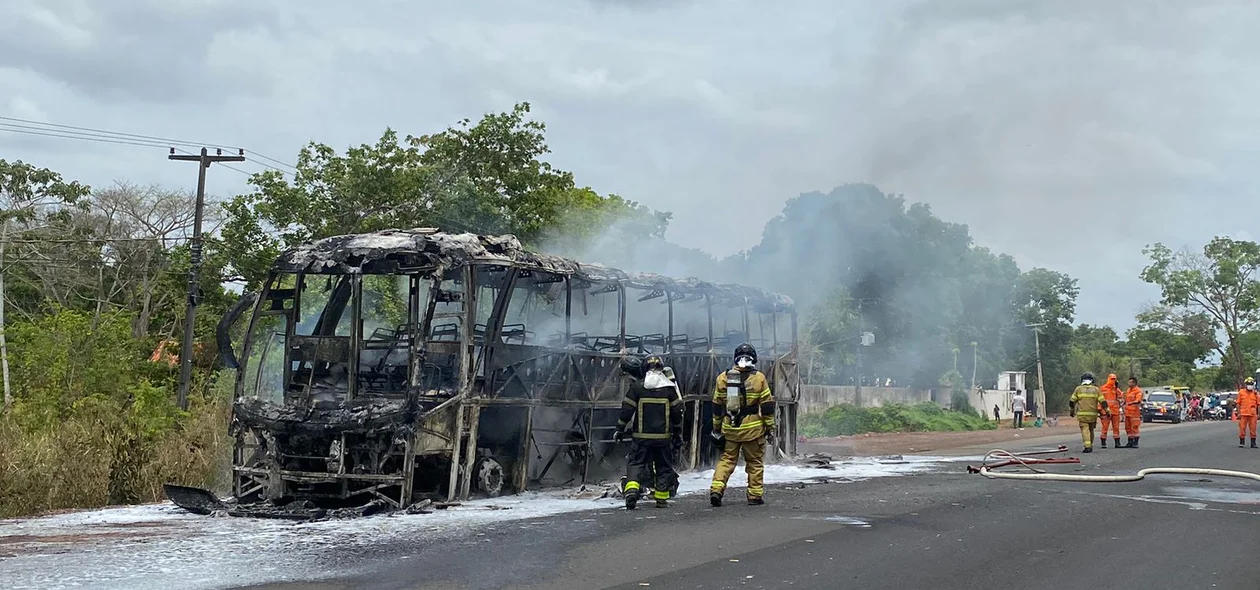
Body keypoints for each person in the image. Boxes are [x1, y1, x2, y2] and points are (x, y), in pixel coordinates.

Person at [709, 343, 775, 507]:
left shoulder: (722, 378)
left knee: (726, 460)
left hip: (730, 428)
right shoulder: (759, 378)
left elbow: (717, 407)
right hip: (752, 430)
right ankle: (754, 496)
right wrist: (769, 427)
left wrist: (717, 428)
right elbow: (767, 406)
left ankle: (716, 490)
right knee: (754, 463)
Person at [614, 354, 683, 509]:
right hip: (663, 438)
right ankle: (661, 499)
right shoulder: (669, 390)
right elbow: (678, 413)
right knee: (663, 467)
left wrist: (619, 428)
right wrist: (677, 434)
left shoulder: (638, 387)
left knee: (636, 464)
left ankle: (631, 491)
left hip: (641, 438)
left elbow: (626, 410)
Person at [1069, 372, 1106, 453]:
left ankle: (1087, 446)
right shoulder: (1096, 389)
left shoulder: (1078, 389)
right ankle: (1090, 445)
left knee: (1085, 430)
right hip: (1093, 415)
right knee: (1091, 430)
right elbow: (1103, 402)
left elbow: (1072, 401)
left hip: (1082, 415)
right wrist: (1107, 411)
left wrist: (1072, 411)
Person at [1098, 374, 1123, 449]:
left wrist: (1120, 400)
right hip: (1105, 412)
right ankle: (1103, 442)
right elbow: (1099, 400)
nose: (1113, 380)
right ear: (1108, 379)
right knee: (1104, 428)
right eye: (1112, 379)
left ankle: (1117, 442)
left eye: (1114, 379)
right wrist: (1099, 410)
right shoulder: (1102, 388)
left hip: (1115, 411)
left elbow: (1121, 399)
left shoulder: (1117, 390)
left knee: (1116, 428)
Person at [1237, 377, 1258, 448]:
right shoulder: (1241, 392)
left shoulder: (1255, 393)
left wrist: (1259, 414)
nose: (1250, 385)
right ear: (1245, 384)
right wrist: (1238, 413)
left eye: (1251, 384)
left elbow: (1258, 404)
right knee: (1242, 428)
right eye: (1248, 384)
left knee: (1253, 429)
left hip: (1253, 414)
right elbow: (1238, 403)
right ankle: (1242, 442)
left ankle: (1253, 443)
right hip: (1243, 414)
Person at [1123, 376, 1143, 448]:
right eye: (1128, 382)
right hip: (1127, 412)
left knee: (1134, 427)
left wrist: (1131, 403)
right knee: (1128, 428)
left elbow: (1138, 400)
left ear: (1134, 383)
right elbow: (1125, 398)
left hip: (1134, 413)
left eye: (1130, 382)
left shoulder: (1138, 391)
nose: (1129, 383)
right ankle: (1130, 441)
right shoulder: (1128, 390)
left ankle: (1136, 442)